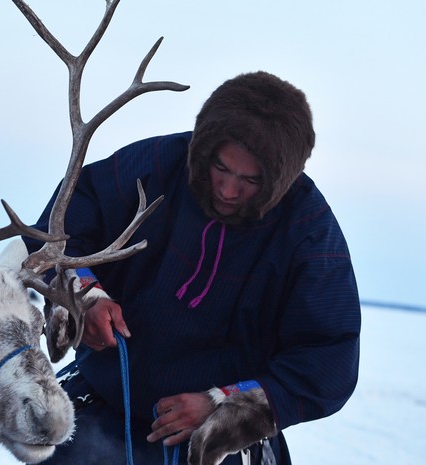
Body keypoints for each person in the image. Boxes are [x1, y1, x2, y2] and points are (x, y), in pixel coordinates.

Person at [23, 71, 361, 465]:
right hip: (106, 405)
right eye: (221, 167)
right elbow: (59, 229)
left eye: (250, 180)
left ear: (281, 178)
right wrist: (84, 296)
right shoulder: (158, 165)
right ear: (203, 149)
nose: (229, 190)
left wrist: (223, 406)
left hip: (213, 446)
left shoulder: (309, 234)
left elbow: (329, 358)